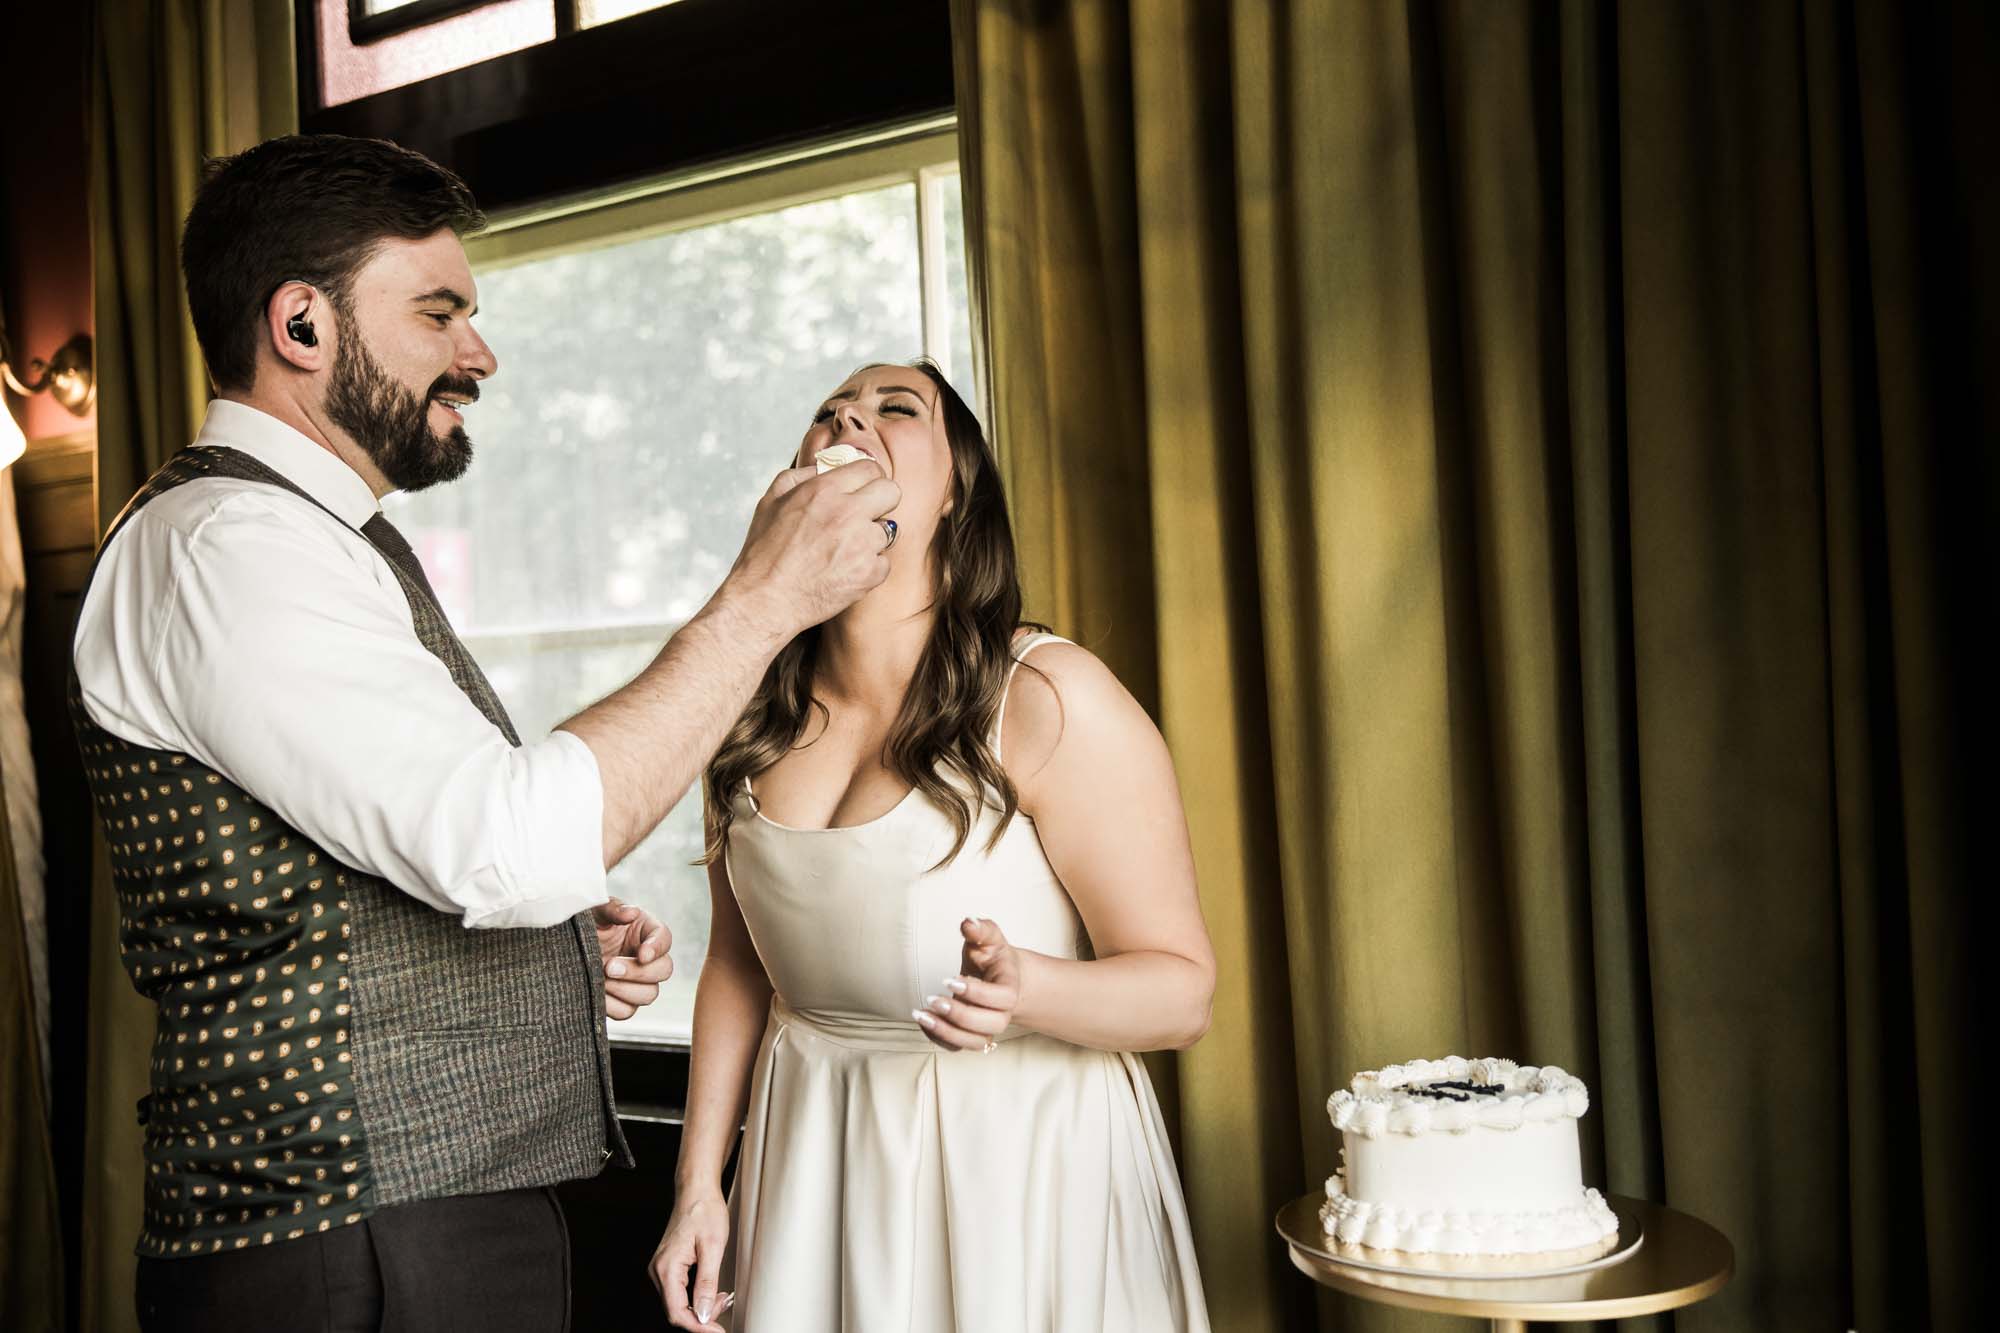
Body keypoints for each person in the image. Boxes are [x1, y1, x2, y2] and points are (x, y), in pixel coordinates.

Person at [69, 133, 900, 1332]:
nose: (480, 355)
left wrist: (551, 950)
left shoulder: (312, 538)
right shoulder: (230, 548)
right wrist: (763, 600)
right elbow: (498, 843)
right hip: (340, 1246)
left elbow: (427, 839)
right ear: (301, 325)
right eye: (438, 314)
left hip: (404, 1225)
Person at [648, 360, 1216, 1331]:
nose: (847, 421)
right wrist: (699, 1186)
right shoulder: (745, 718)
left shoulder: (1045, 695)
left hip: (1013, 1168)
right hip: (810, 1159)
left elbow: (1182, 992)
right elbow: (739, 970)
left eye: (893, 409)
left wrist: (1029, 988)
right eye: (827, 413)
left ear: (956, 490)